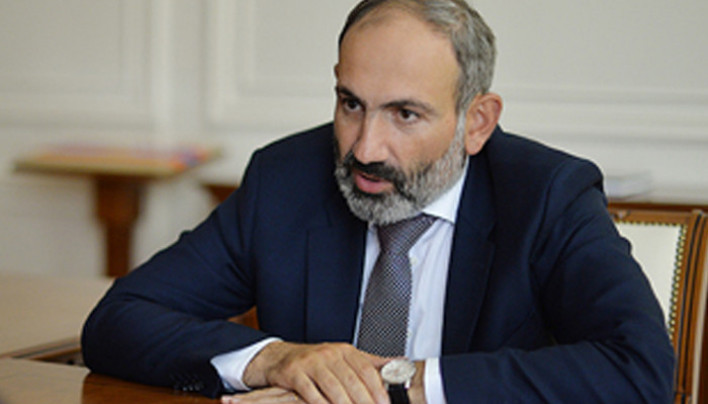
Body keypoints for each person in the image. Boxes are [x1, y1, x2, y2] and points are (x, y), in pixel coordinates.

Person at [81, 0, 674, 403]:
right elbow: (118, 321)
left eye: (405, 114)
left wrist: (396, 384)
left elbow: (639, 368)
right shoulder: (285, 179)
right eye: (351, 104)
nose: (365, 148)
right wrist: (277, 361)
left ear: (477, 122)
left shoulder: (546, 195)